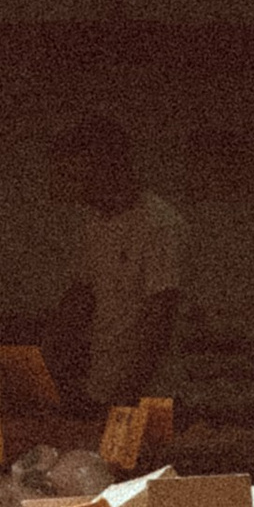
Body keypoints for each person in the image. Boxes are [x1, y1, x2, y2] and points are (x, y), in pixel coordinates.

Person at [45, 115, 184, 409]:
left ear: (109, 168)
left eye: (81, 178)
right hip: (102, 387)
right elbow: (82, 295)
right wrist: (45, 359)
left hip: (147, 397)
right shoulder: (95, 223)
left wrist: (127, 393)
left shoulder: (159, 224)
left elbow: (160, 316)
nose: (76, 189)